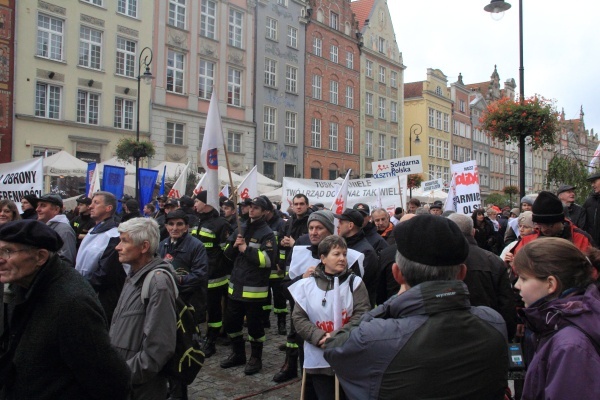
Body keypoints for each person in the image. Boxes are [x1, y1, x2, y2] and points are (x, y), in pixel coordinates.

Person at [323, 215, 509, 399]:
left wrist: (392, 303)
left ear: (397, 274)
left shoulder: (376, 336)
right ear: (462, 273)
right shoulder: (492, 321)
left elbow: (334, 346)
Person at [0, 220, 131, 399]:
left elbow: (109, 379)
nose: (1, 259)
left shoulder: (72, 303)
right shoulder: (19, 285)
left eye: (8, 251)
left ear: (40, 257)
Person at [513, 238, 600, 399]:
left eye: (523, 278)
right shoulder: (557, 325)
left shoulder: (569, 345)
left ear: (550, 284)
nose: (517, 285)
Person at [289, 235, 371, 400]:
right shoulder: (307, 285)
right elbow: (299, 318)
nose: (342, 258)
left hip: (348, 356)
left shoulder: (354, 283)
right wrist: (319, 337)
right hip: (319, 356)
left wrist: (335, 338)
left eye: (344, 254)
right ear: (323, 258)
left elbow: (362, 314)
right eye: (336, 254)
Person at [110, 217, 177, 400]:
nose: (118, 246)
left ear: (144, 247)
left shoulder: (157, 283)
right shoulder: (133, 275)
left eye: (124, 241)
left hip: (140, 389)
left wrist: (122, 375)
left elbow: (159, 348)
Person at [274, 210, 338, 383]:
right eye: (311, 227)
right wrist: (302, 279)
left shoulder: (342, 253)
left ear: (330, 231)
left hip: (332, 327)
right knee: (309, 377)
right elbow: (285, 287)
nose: (314, 232)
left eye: (319, 228)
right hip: (305, 323)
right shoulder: (300, 248)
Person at [220, 197, 277, 375]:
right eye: (249, 207)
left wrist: (246, 249)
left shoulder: (267, 233)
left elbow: (268, 261)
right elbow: (227, 255)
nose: (251, 210)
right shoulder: (241, 227)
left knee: (255, 328)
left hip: (254, 291)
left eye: (256, 207)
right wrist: (234, 246)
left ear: (265, 211)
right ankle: (238, 354)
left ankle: (255, 358)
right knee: (231, 324)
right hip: (236, 287)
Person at [158, 209, 208, 400]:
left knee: (181, 349)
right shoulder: (162, 245)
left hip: (188, 304)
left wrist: (176, 280)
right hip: (167, 304)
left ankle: (179, 393)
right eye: (171, 224)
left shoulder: (196, 246)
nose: (174, 228)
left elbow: (200, 275)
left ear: (186, 226)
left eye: (179, 224)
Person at [448, 213, 517, 340]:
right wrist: (508, 333)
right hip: (490, 331)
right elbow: (506, 302)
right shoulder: (493, 261)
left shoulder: (439, 260)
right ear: (473, 232)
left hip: (450, 333)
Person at [191, 191, 231, 358]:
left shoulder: (221, 224)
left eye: (197, 201)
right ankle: (196, 336)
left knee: (213, 310)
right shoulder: (195, 220)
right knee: (196, 308)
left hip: (214, 275)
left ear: (206, 203)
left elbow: (227, 253)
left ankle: (212, 340)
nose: (195, 204)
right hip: (196, 274)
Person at [75, 191, 125, 324]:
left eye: (96, 203)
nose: (90, 206)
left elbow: (106, 274)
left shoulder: (113, 236)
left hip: (101, 300)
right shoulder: (93, 230)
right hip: (86, 293)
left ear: (108, 208)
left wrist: (78, 283)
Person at [510, 191, 594, 258]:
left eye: (549, 225)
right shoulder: (528, 240)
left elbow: (592, 272)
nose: (544, 229)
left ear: (561, 221)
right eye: (540, 225)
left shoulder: (581, 238)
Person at [334, 208, 379, 307]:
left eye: (341, 222)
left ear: (350, 225)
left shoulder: (366, 252)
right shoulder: (344, 245)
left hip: (357, 309)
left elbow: (358, 285)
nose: (338, 225)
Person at [260, 195, 288, 334]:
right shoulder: (261, 223)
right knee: (264, 295)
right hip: (264, 266)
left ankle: (281, 322)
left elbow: (283, 246)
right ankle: (265, 320)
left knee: (279, 296)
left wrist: (281, 263)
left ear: (268, 210)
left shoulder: (280, 224)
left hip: (276, 267)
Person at [36, 194, 76, 268]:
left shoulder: (64, 230)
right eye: (38, 205)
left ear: (56, 210)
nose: (37, 209)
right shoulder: (47, 227)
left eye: (43, 205)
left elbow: (66, 262)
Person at [583, 171, 600, 245]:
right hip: (593, 245)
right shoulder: (589, 201)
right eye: (591, 183)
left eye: (594, 182)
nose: (592, 185)